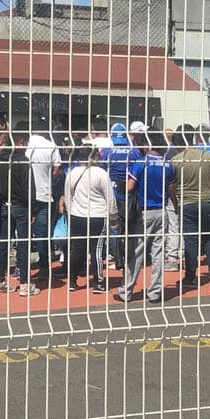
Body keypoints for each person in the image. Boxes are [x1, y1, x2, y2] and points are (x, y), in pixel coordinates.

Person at [115, 136, 175, 305]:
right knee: (158, 253)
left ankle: (126, 290)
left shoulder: (141, 162)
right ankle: (155, 292)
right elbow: (171, 189)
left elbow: (129, 187)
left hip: (143, 212)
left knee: (137, 252)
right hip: (161, 211)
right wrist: (175, 205)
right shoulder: (168, 164)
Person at [0, 123, 36, 295]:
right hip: (21, 205)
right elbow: (28, 188)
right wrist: (32, 209)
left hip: (4, 204)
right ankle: (24, 284)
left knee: (3, 242)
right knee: (23, 243)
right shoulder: (22, 160)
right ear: (21, 141)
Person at [59, 148, 117, 292]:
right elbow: (110, 198)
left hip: (77, 215)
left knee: (76, 249)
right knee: (96, 249)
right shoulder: (101, 173)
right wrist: (113, 216)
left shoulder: (72, 173)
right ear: (95, 157)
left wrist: (72, 212)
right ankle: (98, 283)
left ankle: (72, 281)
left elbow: (68, 195)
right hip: (97, 215)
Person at [171, 125, 210, 289]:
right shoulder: (207, 156)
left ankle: (191, 276)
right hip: (207, 201)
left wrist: (176, 202)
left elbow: (171, 185)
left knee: (191, 240)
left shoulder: (177, 160)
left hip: (187, 203)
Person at [25, 117, 61, 287]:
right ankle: (44, 266)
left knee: (22, 231)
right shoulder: (51, 145)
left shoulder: (25, 143)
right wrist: (48, 179)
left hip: (24, 195)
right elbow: (57, 168)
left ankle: (21, 268)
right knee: (42, 233)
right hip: (45, 194)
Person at [100, 122, 139, 274]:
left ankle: (116, 256)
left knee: (113, 224)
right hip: (129, 192)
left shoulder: (107, 151)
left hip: (113, 191)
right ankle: (131, 255)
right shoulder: (133, 151)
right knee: (131, 225)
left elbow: (101, 168)